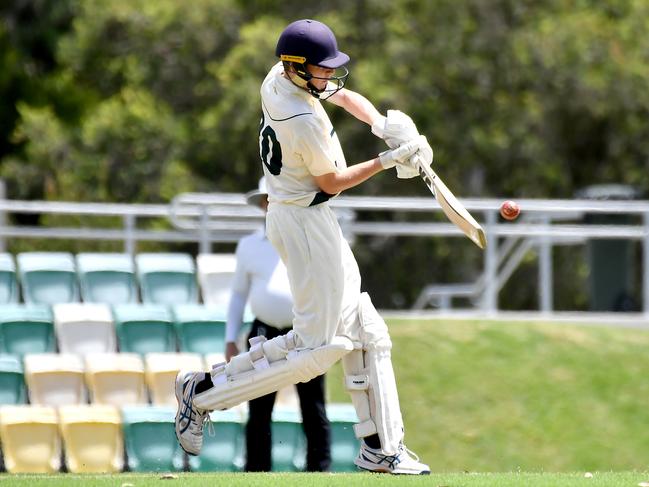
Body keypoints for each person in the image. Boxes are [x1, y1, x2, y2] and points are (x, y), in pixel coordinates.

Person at [175, 18, 433, 475]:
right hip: (304, 221)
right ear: (297, 69)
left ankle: (382, 446)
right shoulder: (299, 119)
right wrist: (388, 160)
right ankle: (203, 394)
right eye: (321, 69)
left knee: (366, 329)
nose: (328, 77)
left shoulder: (280, 78)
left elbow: (342, 95)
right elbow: (331, 183)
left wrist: (383, 126)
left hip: (305, 216)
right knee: (315, 352)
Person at [225, 177, 331, 472]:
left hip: (306, 330)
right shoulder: (249, 246)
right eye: (268, 200)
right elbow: (238, 294)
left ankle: (319, 470)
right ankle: (257, 471)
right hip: (264, 330)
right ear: (263, 204)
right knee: (259, 406)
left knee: (313, 405)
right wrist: (230, 337)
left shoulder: (309, 240)